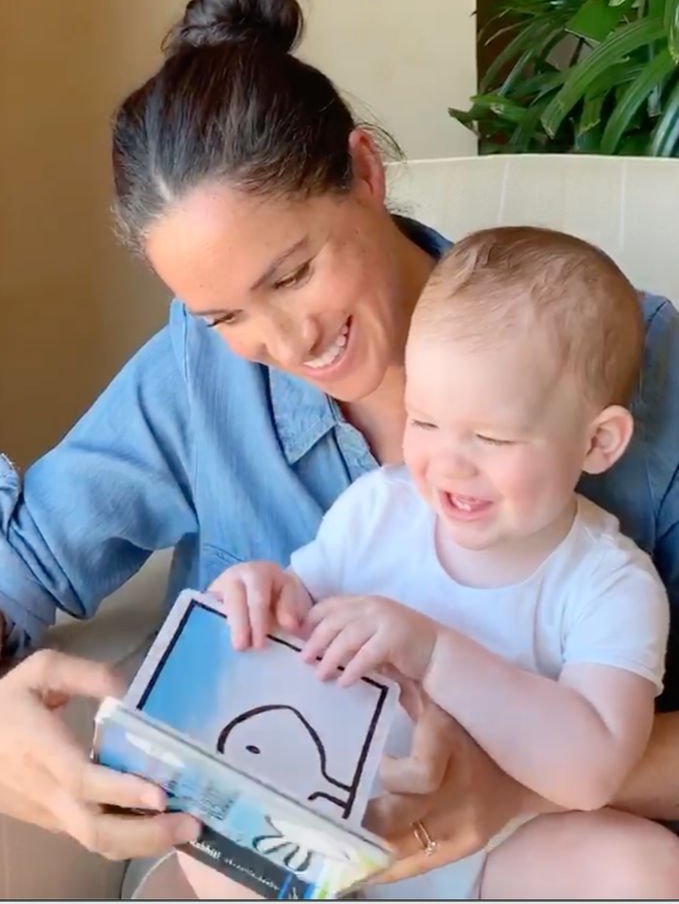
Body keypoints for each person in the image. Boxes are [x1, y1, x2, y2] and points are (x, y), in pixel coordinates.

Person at [1, 0, 679, 885]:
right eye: (225, 315)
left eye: (291, 275)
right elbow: (24, 565)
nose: (284, 342)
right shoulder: (201, 377)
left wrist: (508, 795)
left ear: (364, 172)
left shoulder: (638, 365)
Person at [210, 227, 677, 899]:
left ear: (597, 441)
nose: (447, 462)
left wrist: (433, 655)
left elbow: (593, 771)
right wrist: (261, 591)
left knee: (645, 869)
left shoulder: (609, 583)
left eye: (491, 436)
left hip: (502, 849)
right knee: (211, 841)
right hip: (339, 827)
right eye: (424, 421)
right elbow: (294, 622)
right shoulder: (375, 510)